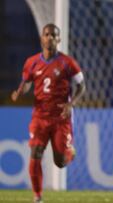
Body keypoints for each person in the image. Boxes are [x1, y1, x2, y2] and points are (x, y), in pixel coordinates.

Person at [11, 24, 86, 203]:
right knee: (35, 152)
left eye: (54, 35)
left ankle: (70, 152)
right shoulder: (31, 62)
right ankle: (37, 197)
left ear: (59, 39)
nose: (50, 37)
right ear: (42, 38)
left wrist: (71, 103)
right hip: (39, 116)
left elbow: (82, 86)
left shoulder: (68, 63)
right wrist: (21, 90)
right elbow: (27, 82)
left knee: (60, 162)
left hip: (61, 117)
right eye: (47, 34)